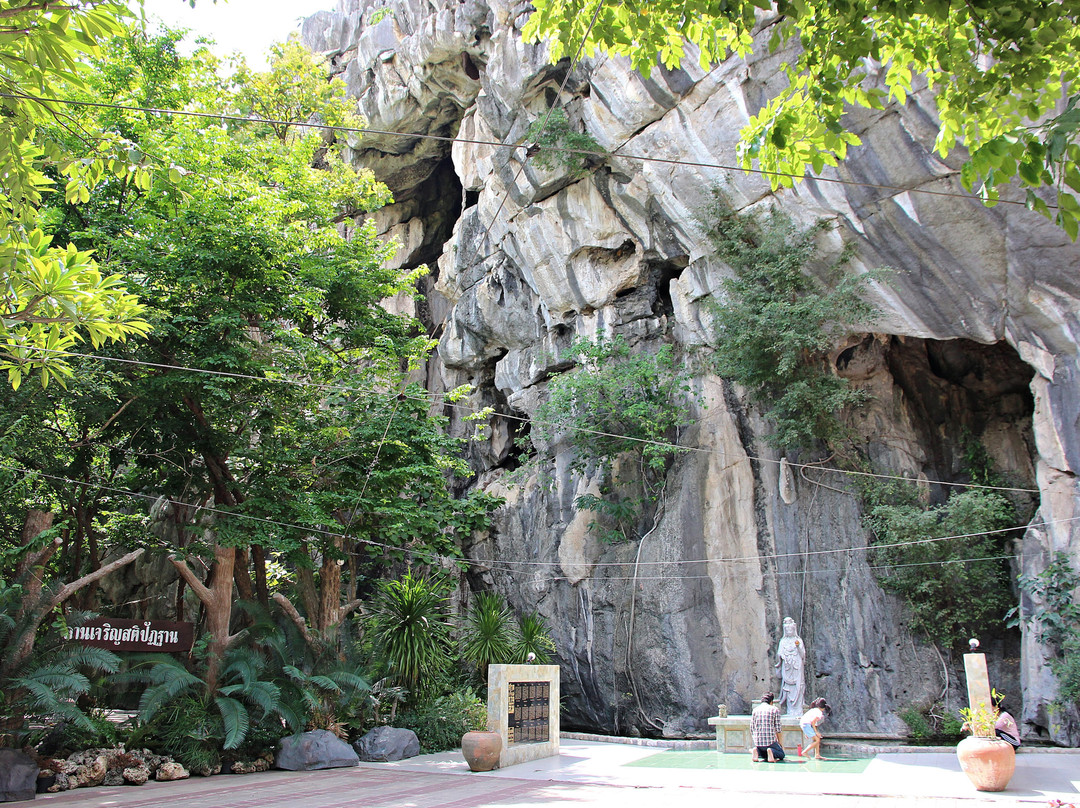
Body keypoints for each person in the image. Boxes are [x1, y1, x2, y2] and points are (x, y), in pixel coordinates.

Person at [775, 617, 806, 716]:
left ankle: (798, 710)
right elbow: (779, 654)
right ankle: (790, 710)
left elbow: (802, 655)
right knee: (788, 688)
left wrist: (797, 647)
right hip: (787, 667)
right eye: (787, 629)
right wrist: (782, 656)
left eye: (790, 629)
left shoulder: (798, 640)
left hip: (797, 666)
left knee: (798, 687)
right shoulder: (783, 641)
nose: (789, 631)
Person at [750, 691, 785, 762]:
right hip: (770, 743)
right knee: (781, 754)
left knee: (763, 753)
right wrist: (780, 744)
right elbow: (778, 729)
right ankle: (771, 752)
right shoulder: (774, 710)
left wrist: (756, 741)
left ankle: (756, 751)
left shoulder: (755, 710)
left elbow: (752, 728)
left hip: (758, 743)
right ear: (771, 702)